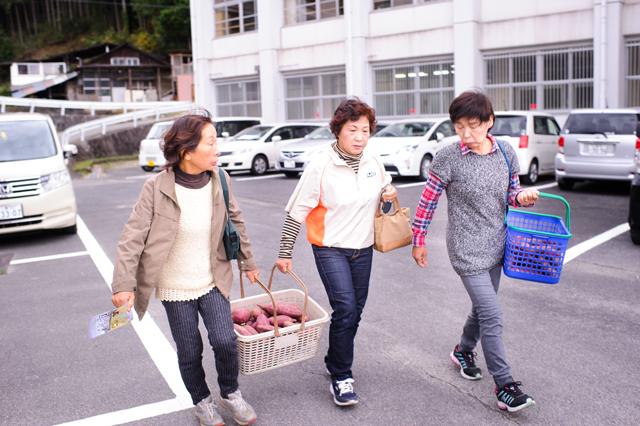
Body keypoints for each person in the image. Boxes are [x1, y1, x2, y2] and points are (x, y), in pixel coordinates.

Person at [110, 111, 259, 426]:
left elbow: (236, 221)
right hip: (174, 286)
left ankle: (230, 394)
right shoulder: (156, 187)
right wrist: (123, 283)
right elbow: (131, 237)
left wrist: (248, 261)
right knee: (190, 350)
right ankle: (202, 401)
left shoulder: (221, 180)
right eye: (210, 142)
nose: (217, 149)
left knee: (224, 341)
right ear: (186, 151)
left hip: (212, 279)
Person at [411, 90, 539, 413]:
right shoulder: (448, 157)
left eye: (473, 125)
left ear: (489, 122)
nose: (466, 134)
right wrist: (419, 238)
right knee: (492, 315)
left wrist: (521, 198)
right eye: (459, 127)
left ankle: (463, 351)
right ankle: (505, 386)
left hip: (498, 246)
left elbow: (512, 193)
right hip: (465, 251)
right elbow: (428, 201)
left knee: (483, 310)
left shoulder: (506, 152)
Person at [275, 98, 397, 406]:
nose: (360, 137)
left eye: (365, 130)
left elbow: (383, 195)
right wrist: (284, 252)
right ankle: (342, 376)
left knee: (355, 312)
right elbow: (296, 211)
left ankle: (334, 358)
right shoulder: (321, 165)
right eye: (352, 129)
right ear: (338, 130)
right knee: (345, 309)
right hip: (330, 248)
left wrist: (387, 194)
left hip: (363, 248)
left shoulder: (373, 161)